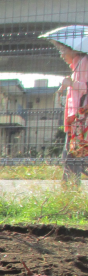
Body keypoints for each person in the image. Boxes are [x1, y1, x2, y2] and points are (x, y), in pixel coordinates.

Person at [40, 26, 88, 180]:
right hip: (77, 118)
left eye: (62, 50)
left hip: (81, 118)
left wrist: (71, 83)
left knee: (72, 155)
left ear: (73, 49)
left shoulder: (84, 62)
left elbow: (85, 87)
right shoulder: (77, 66)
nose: (61, 55)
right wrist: (65, 86)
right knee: (72, 154)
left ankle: (70, 189)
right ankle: (70, 188)